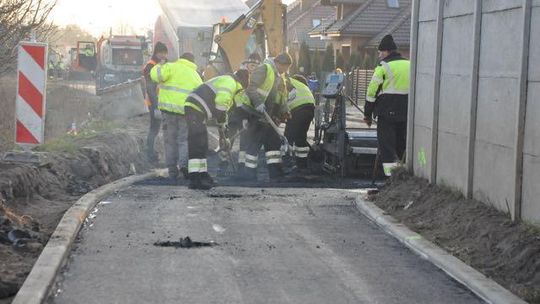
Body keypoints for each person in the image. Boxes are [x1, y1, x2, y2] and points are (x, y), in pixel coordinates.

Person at [185, 70, 250, 189]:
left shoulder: (229, 82)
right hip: (195, 107)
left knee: (203, 144)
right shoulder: (230, 83)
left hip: (199, 110)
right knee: (197, 144)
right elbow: (220, 106)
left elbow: (222, 115)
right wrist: (222, 133)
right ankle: (194, 178)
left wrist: (223, 134)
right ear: (241, 84)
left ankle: (202, 175)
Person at [151, 52, 203, 182]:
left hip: (168, 112)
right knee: (183, 140)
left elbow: (155, 76)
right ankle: (184, 167)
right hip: (186, 113)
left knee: (170, 141)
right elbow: (199, 96)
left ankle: (172, 172)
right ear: (193, 62)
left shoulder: (171, 67)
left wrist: (159, 65)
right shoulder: (196, 75)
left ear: (181, 59)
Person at [364, 35, 410, 177]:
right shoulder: (410, 64)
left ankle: (391, 179)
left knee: (387, 147)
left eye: (379, 53)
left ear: (385, 52)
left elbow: (371, 92)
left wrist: (367, 114)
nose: (379, 56)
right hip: (408, 111)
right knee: (402, 144)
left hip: (387, 112)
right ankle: (404, 176)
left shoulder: (383, 67)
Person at [243, 52, 292, 181]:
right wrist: (258, 103)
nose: (285, 71)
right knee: (254, 143)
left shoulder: (279, 77)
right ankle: (249, 174)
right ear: (279, 63)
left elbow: (280, 97)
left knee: (273, 143)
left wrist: (284, 110)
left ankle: (276, 174)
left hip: (268, 116)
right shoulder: (265, 69)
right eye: (285, 67)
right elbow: (250, 87)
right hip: (256, 113)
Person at [226, 53, 262, 175]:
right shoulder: (241, 76)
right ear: (247, 64)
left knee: (245, 141)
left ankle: (241, 166)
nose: (253, 68)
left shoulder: (257, 79)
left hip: (245, 113)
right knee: (228, 139)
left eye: (256, 66)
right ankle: (223, 164)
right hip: (235, 111)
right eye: (252, 65)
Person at [142, 42, 168, 163]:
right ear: (156, 53)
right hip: (154, 103)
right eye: (161, 52)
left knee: (160, 129)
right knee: (154, 129)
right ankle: (149, 154)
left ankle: (155, 153)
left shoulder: (164, 65)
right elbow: (150, 88)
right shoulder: (150, 66)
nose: (163, 55)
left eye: (165, 53)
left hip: (164, 102)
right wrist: (156, 107)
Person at [284, 74, 315, 172]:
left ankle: (286, 161)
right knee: (301, 137)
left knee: (288, 135)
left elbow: (281, 99)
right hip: (310, 109)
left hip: (298, 110)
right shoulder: (303, 87)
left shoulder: (287, 81)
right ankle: (302, 164)